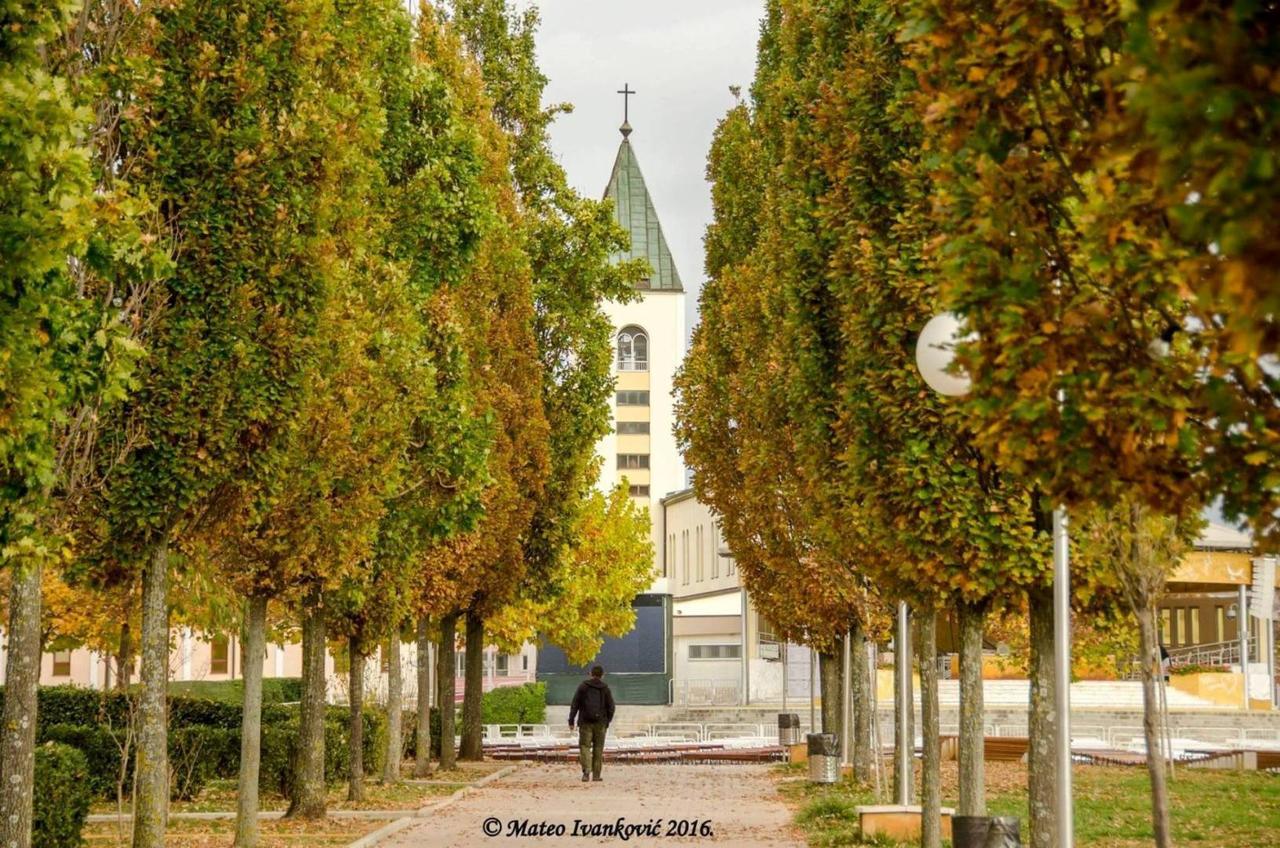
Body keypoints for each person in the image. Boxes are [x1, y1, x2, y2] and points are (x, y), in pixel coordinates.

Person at [568, 664, 615, 782]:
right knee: (598, 748)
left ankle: (586, 771)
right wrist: (607, 721)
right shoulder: (605, 688)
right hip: (601, 723)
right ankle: (596, 775)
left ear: (590, 674)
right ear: (602, 675)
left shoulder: (583, 687)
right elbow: (611, 707)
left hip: (585, 722)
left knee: (585, 746)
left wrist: (571, 720)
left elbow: (575, 704)